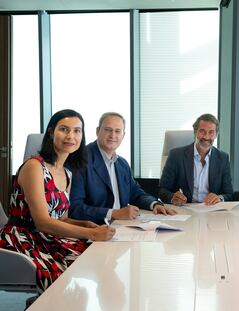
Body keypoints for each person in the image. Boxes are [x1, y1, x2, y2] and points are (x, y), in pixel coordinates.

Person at [0, 109, 115, 293]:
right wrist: (90, 233)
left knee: (98, 256)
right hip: (22, 237)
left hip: (47, 236)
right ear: (52, 132)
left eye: (77, 131)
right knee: (72, 267)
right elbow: (43, 222)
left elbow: (60, 219)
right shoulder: (34, 167)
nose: (71, 136)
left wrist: (84, 223)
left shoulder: (67, 173)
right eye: (64, 129)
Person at [69, 112, 176, 224]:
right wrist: (113, 213)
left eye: (117, 131)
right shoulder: (80, 160)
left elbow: (136, 193)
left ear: (123, 135)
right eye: (108, 130)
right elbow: (75, 208)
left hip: (122, 226)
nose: (113, 135)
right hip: (95, 230)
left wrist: (154, 204)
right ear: (97, 131)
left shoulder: (122, 164)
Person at [158, 113, 234, 206]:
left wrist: (219, 198)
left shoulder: (223, 158)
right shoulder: (176, 155)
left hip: (211, 211)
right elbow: (162, 190)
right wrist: (172, 197)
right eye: (202, 131)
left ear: (216, 135)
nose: (206, 137)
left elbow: (229, 193)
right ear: (195, 132)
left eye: (211, 132)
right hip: (184, 210)